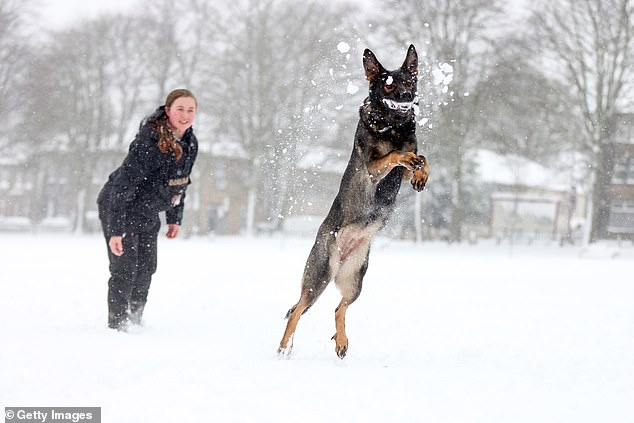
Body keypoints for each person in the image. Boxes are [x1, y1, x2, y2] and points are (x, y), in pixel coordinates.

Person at [97, 89, 198, 331]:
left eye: (190, 110)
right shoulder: (149, 142)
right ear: (168, 111)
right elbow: (123, 186)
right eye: (179, 109)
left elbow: (180, 181)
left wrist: (175, 218)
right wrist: (116, 230)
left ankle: (135, 319)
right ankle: (118, 325)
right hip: (120, 205)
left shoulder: (190, 142)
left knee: (147, 267)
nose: (185, 115)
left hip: (148, 210)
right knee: (125, 268)